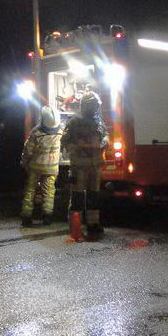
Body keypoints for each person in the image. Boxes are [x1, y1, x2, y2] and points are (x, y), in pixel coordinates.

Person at [62, 91, 109, 241]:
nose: (94, 108)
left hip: (94, 165)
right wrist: (76, 148)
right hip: (79, 166)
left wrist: (105, 141)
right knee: (77, 197)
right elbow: (65, 140)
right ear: (85, 105)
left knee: (94, 196)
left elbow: (105, 134)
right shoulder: (74, 121)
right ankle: (75, 227)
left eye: (96, 105)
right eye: (92, 105)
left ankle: (93, 224)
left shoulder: (98, 121)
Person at [20, 105, 63, 227]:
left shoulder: (36, 132)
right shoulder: (60, 132)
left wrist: (24, 162)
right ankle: (47, 217)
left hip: (35, 168)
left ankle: (26, 217)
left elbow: (28, 150)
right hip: (51, 168)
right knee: (49, 192)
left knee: (30, 191)